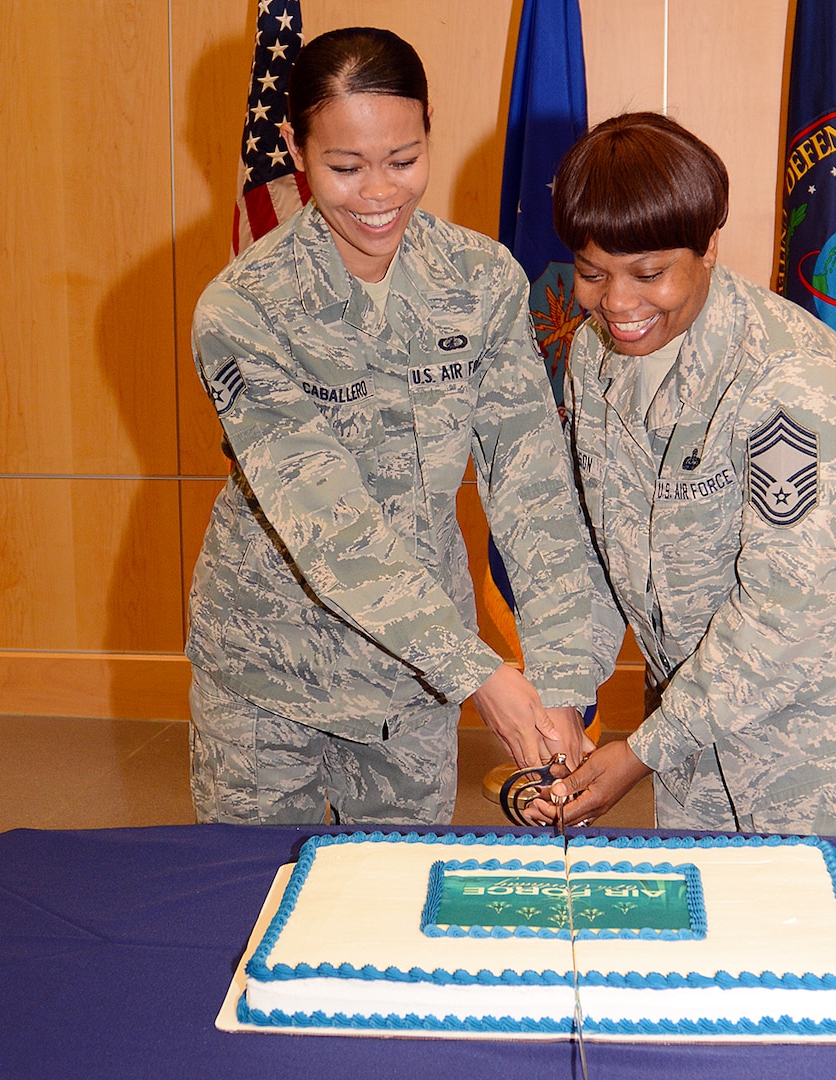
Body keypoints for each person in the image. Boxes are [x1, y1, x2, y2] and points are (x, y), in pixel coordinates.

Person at [186, 27, 599, 826]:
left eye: (404, 160)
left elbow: (533, 487)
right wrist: (480, 675)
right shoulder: (243, 310)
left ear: (429, 126)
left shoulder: (480, 281)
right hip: (271, 679)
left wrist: (561, 684)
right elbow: (329, 527)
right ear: (294, 148)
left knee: (396, 904)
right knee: (254, 906)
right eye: (345, 167)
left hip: (413, 684)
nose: (379, 194)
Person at [539, 112, 836, 838]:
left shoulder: (792, 381)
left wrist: (644, 752)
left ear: (708, 247)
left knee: (801, 918)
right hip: (704, 693)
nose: (617, 303)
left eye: (649, 274)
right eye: (591, 272)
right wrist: (564, 695)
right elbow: (596, 547)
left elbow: (788, 610)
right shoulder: (594, 357)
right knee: (708, 904)